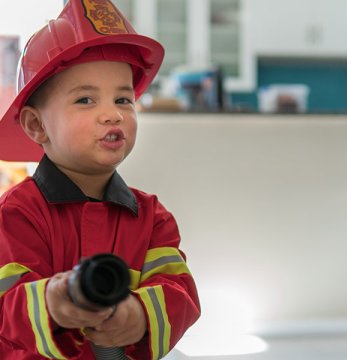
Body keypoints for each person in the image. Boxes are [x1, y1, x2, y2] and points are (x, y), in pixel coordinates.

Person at [0, 0, 200, 359]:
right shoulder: (16, 214)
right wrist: (52, 303)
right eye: (86, 99)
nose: (112, 115)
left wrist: (140, 315)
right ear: (36, 125)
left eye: (123, 99)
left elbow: (179, 290)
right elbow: (5, 304)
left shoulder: (152, 217)